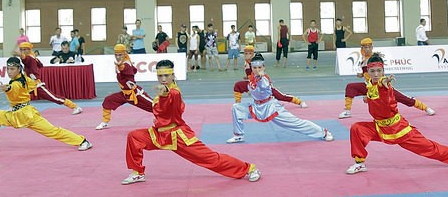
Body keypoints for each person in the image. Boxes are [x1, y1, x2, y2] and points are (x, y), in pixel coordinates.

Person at [122, 59, 261, 185]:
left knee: (212, 159)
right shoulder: (163, 91)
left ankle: (249, 168)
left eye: (166, 75)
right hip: (159, 134)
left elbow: (171, 98)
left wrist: (164, 93)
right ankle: (137, 173)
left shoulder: (174, 93)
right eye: (160, 76)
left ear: (173, 75)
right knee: (134, 137)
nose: (163, 79)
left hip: (178, 136)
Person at [346, 54, 448, 174]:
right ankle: (360, 163)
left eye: (379, 71)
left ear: (383, 71)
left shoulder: (384, 85)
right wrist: (368, 98)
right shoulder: (369, 86)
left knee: (430, 148)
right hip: (379, 128)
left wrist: (384, 83)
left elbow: (383, 86)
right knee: (357, 128)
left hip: (398, 129)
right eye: (372, 71)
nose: (376, 74)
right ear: (367, 72)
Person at [0, 56, 92, 153]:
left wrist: (7, 88)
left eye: (12, 69)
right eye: (8, 69)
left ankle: (82, 141)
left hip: (27, 115)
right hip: (14, 115)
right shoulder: (25, 79)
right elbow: (32, 85)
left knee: (52, 131)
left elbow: (14, 88)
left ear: (19, 69)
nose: (9, 71)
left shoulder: (17, 83)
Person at [227, 53, 332, 144]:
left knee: (296, 123)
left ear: (264, 68)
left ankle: (324, 132)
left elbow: (263, 84)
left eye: (260, 67)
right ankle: (238, 135)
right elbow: (249, 74)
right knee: (236, 108)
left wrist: (261, 76)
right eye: (255, 68)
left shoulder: (264, 79)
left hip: (271, 108)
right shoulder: (252, 77)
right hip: (257, 106)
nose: (257, 70)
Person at [339, 38, 435, 119]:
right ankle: (347, 111)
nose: (367, 49)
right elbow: (367, 72)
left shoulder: (374, 58)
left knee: (404, 99)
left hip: (381, 84)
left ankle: (425, 107)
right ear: (362, 48)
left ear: (372, 47)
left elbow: (379, 72)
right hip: (369, 84)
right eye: (365, 47)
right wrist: (361, 74)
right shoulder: (363, 57)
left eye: (369, 47)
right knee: (350, 87)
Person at [95, 44, 155, 130]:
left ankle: (169, 118)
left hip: (135, 94)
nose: (118, 57)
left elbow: (125, 68)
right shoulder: (126, 61)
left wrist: (120, 66)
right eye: (116, 55)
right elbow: (134, 70)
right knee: (108, 100)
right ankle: (105, 122)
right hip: (124, 94)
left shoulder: (124, 64)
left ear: (124, 54)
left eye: (120, 55)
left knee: (154, 106)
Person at [19, 42, 82, 115]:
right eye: (21, 50)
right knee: (19, 94)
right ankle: (17, 110)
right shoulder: (33, 57)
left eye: (24, 50)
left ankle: (75, 107)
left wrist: (20, 55)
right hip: (27, 83)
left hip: (35, 84)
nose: (23, 51)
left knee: (54, 98)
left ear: (29, 50)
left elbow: (25, 60)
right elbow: (40, 65)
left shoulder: (29, 58)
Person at [233, 46, 307, 108]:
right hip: (252, 84)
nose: (247, 55)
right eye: (246, 53)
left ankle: (299, 101)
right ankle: (238, 104)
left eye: (250, 53)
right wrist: (249, 81)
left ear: (253, 54)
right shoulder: (246, 64)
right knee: (238, 85)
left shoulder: (257, 62)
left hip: (263, 84)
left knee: (280, 96)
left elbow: (261, 74)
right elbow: (250, 75)